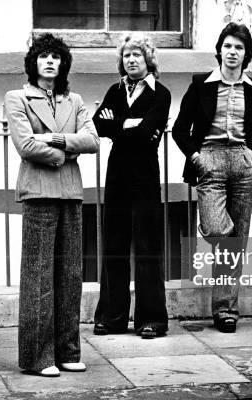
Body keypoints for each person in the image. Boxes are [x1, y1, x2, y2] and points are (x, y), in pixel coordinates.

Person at [5, 33, 99, 377]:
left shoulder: (74, 100)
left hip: (71, 193)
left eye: (55, 57)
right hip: (39, 191)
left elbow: (92, 140)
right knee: (38, 276)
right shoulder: (17, 97)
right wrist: (65, 154)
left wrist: (56, 139)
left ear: (63, 63)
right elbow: (26, 145)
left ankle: (68, 351)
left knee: (70, 275)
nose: (49, 62)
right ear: (34, 63)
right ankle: (37, 357)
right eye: (43, 56)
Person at [172, 23, 252, 333]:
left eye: (239, 48)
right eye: (228, 46)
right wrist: (197, 158)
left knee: (236, 242)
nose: (232, 52)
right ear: (220, 50)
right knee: (218, 229)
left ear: (246, 55)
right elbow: (179, 129)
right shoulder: (200, 84)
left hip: (243, 160)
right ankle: (225, 301)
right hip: (210, 159)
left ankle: (226, 310)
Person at [92, 34, 171, 339]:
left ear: (148, 58)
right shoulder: (114, 90)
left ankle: (152, 320)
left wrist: (120, 125)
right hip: (117, 174)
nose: (131, 60)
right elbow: (100, 125)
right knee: (114, 244)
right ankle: (112, 318)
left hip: (145, 175)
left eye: (137, 54)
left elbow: (148, 131)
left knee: (148, 246)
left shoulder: (160, 93)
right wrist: (129, 126)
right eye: (126, 55)